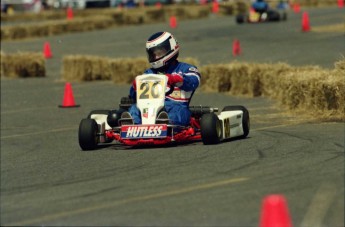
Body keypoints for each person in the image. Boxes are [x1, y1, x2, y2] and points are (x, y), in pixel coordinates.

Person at [123, 31, 201, 126]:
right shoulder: (149, 73)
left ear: (171, 48)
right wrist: (135, 87)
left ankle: (164, 123)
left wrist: (176, 79)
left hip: (175, 106)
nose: (156, 57)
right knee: (135, 108)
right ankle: (131, 124)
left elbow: (194, 81)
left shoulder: (185, 69)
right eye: (153, 54)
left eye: (159, 53)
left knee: (178, 112)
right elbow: (134, 96)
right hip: (149, 108)